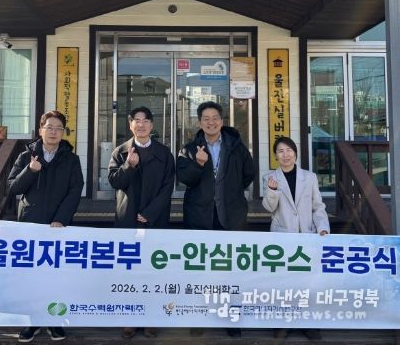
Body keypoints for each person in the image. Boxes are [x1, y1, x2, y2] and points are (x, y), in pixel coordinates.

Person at [176, 101, 255, 337]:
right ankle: (199, 315)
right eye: (206, 119)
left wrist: (230, 193)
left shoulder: (236, 146)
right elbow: (184, 178)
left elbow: (248, 174)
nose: (211, 122)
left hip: (230, 216)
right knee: (200, 269)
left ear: (222, 121)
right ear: (200, 123)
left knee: (230, 269)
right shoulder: (190, 149)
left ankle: (230, 316)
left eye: (215, 118)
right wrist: (199, 164)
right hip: (200, 216)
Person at [7, 110, 84, 343]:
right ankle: (31, 321)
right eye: (49, 127)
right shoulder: (26, 156)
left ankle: (55, 320)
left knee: (56, 274)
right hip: (30, 224)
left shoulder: (71, 159)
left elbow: (75, 191)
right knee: (31, 275)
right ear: (41, 129)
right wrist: (30, 171)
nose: (53, 132)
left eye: (59, 128)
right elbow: (13, 188)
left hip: (58, 225)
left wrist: (62, 218)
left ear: (63, 132)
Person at [108, 106, 175, 340]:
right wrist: (129, 165)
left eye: (146, 120)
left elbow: (168, 187)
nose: (141, 124)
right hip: (127, 219)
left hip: (155, 220)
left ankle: (151, 317)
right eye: (137, 120)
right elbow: (114, 182)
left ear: (152, 125)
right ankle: (130, 317)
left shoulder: (164, 153)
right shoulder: (120, 151)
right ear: (130, 125)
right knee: (129, 272)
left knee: (154, 271)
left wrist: (151, 212)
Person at [263, 136, 329, 342]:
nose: (286, 155)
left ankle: (309, 324)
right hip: (282, 237)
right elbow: (269, 207)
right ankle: (282, 324)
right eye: (281, 151)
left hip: (307, 236)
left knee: (308, 282)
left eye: (289, 150)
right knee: (283, 282)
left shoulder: (309, 177)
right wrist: (272, 191)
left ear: (296, 153)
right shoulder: (270, 178)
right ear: (275, 156)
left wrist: (322, 227)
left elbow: (318, 207)